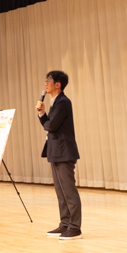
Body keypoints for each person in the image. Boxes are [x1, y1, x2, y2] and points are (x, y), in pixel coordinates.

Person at [36, 69, 81, 239]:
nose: (45, 83)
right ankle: (65, 224)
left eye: (49, 80)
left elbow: (51, 126)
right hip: (55, 151)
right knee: (60, 192)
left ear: (57, 84)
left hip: (64, 152)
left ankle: (75, 228)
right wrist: (43, 114)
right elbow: (49, 125)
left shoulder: (63, 102)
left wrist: (43, 115)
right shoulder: (55, 102)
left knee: (68, 191)